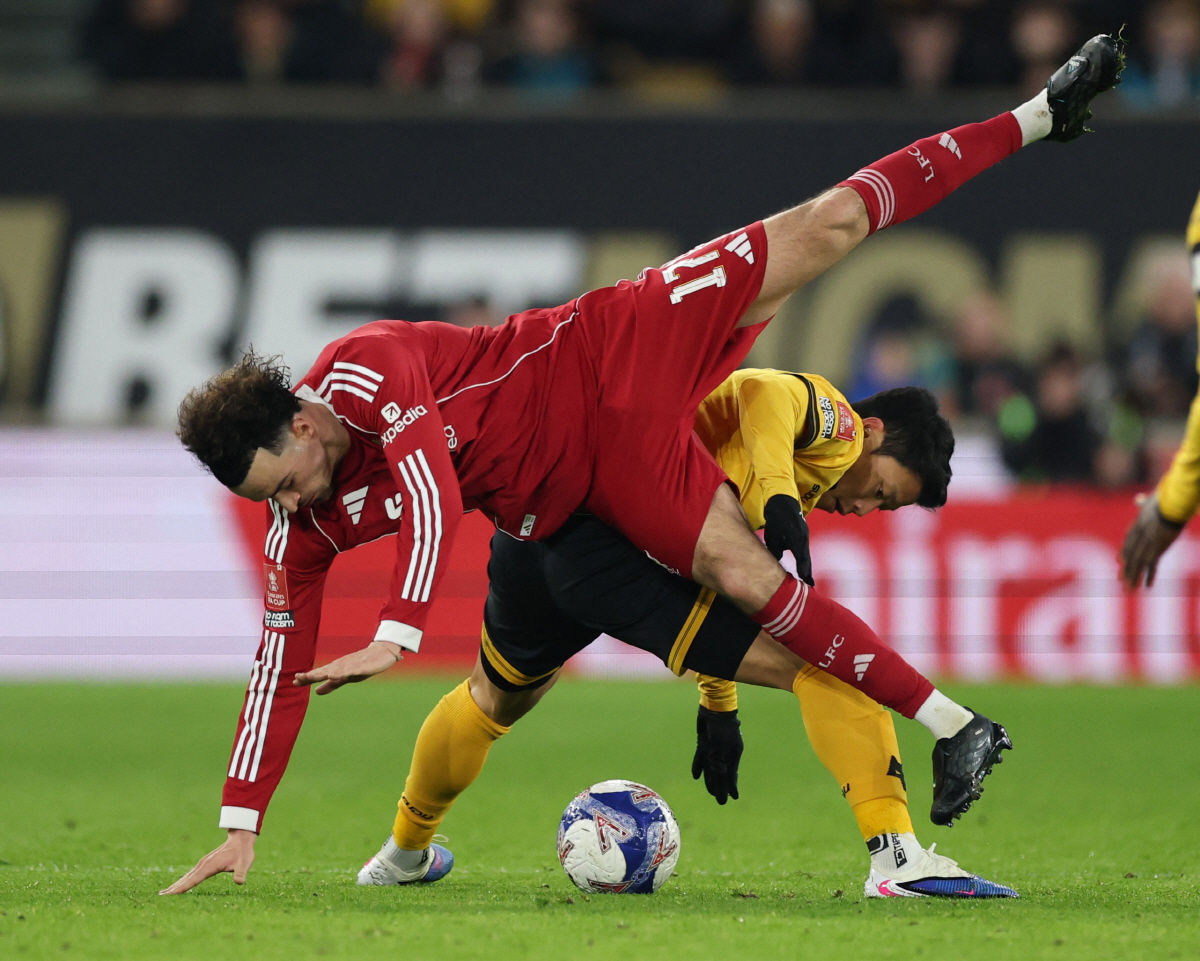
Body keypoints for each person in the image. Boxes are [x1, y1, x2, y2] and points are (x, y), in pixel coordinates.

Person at [162, 34, 1123, 894]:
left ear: (299, 418)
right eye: (271, 501)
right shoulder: (306, 518)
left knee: (830, 225)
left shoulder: (367, 366)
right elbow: (275, 660)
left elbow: (423, 481)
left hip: (609, 347)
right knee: (733, 595)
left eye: (283, 480)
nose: (290, 504)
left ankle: (1037, 115)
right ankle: (923, 797)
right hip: (579, 507)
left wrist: (399, 630)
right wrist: (239, 818)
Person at [1122, 186, 1200, 588]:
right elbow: (1121, 401)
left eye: (1179, 293)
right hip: (1144, 458)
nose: (1173, 302)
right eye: (1165, 293)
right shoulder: (1134, 341)